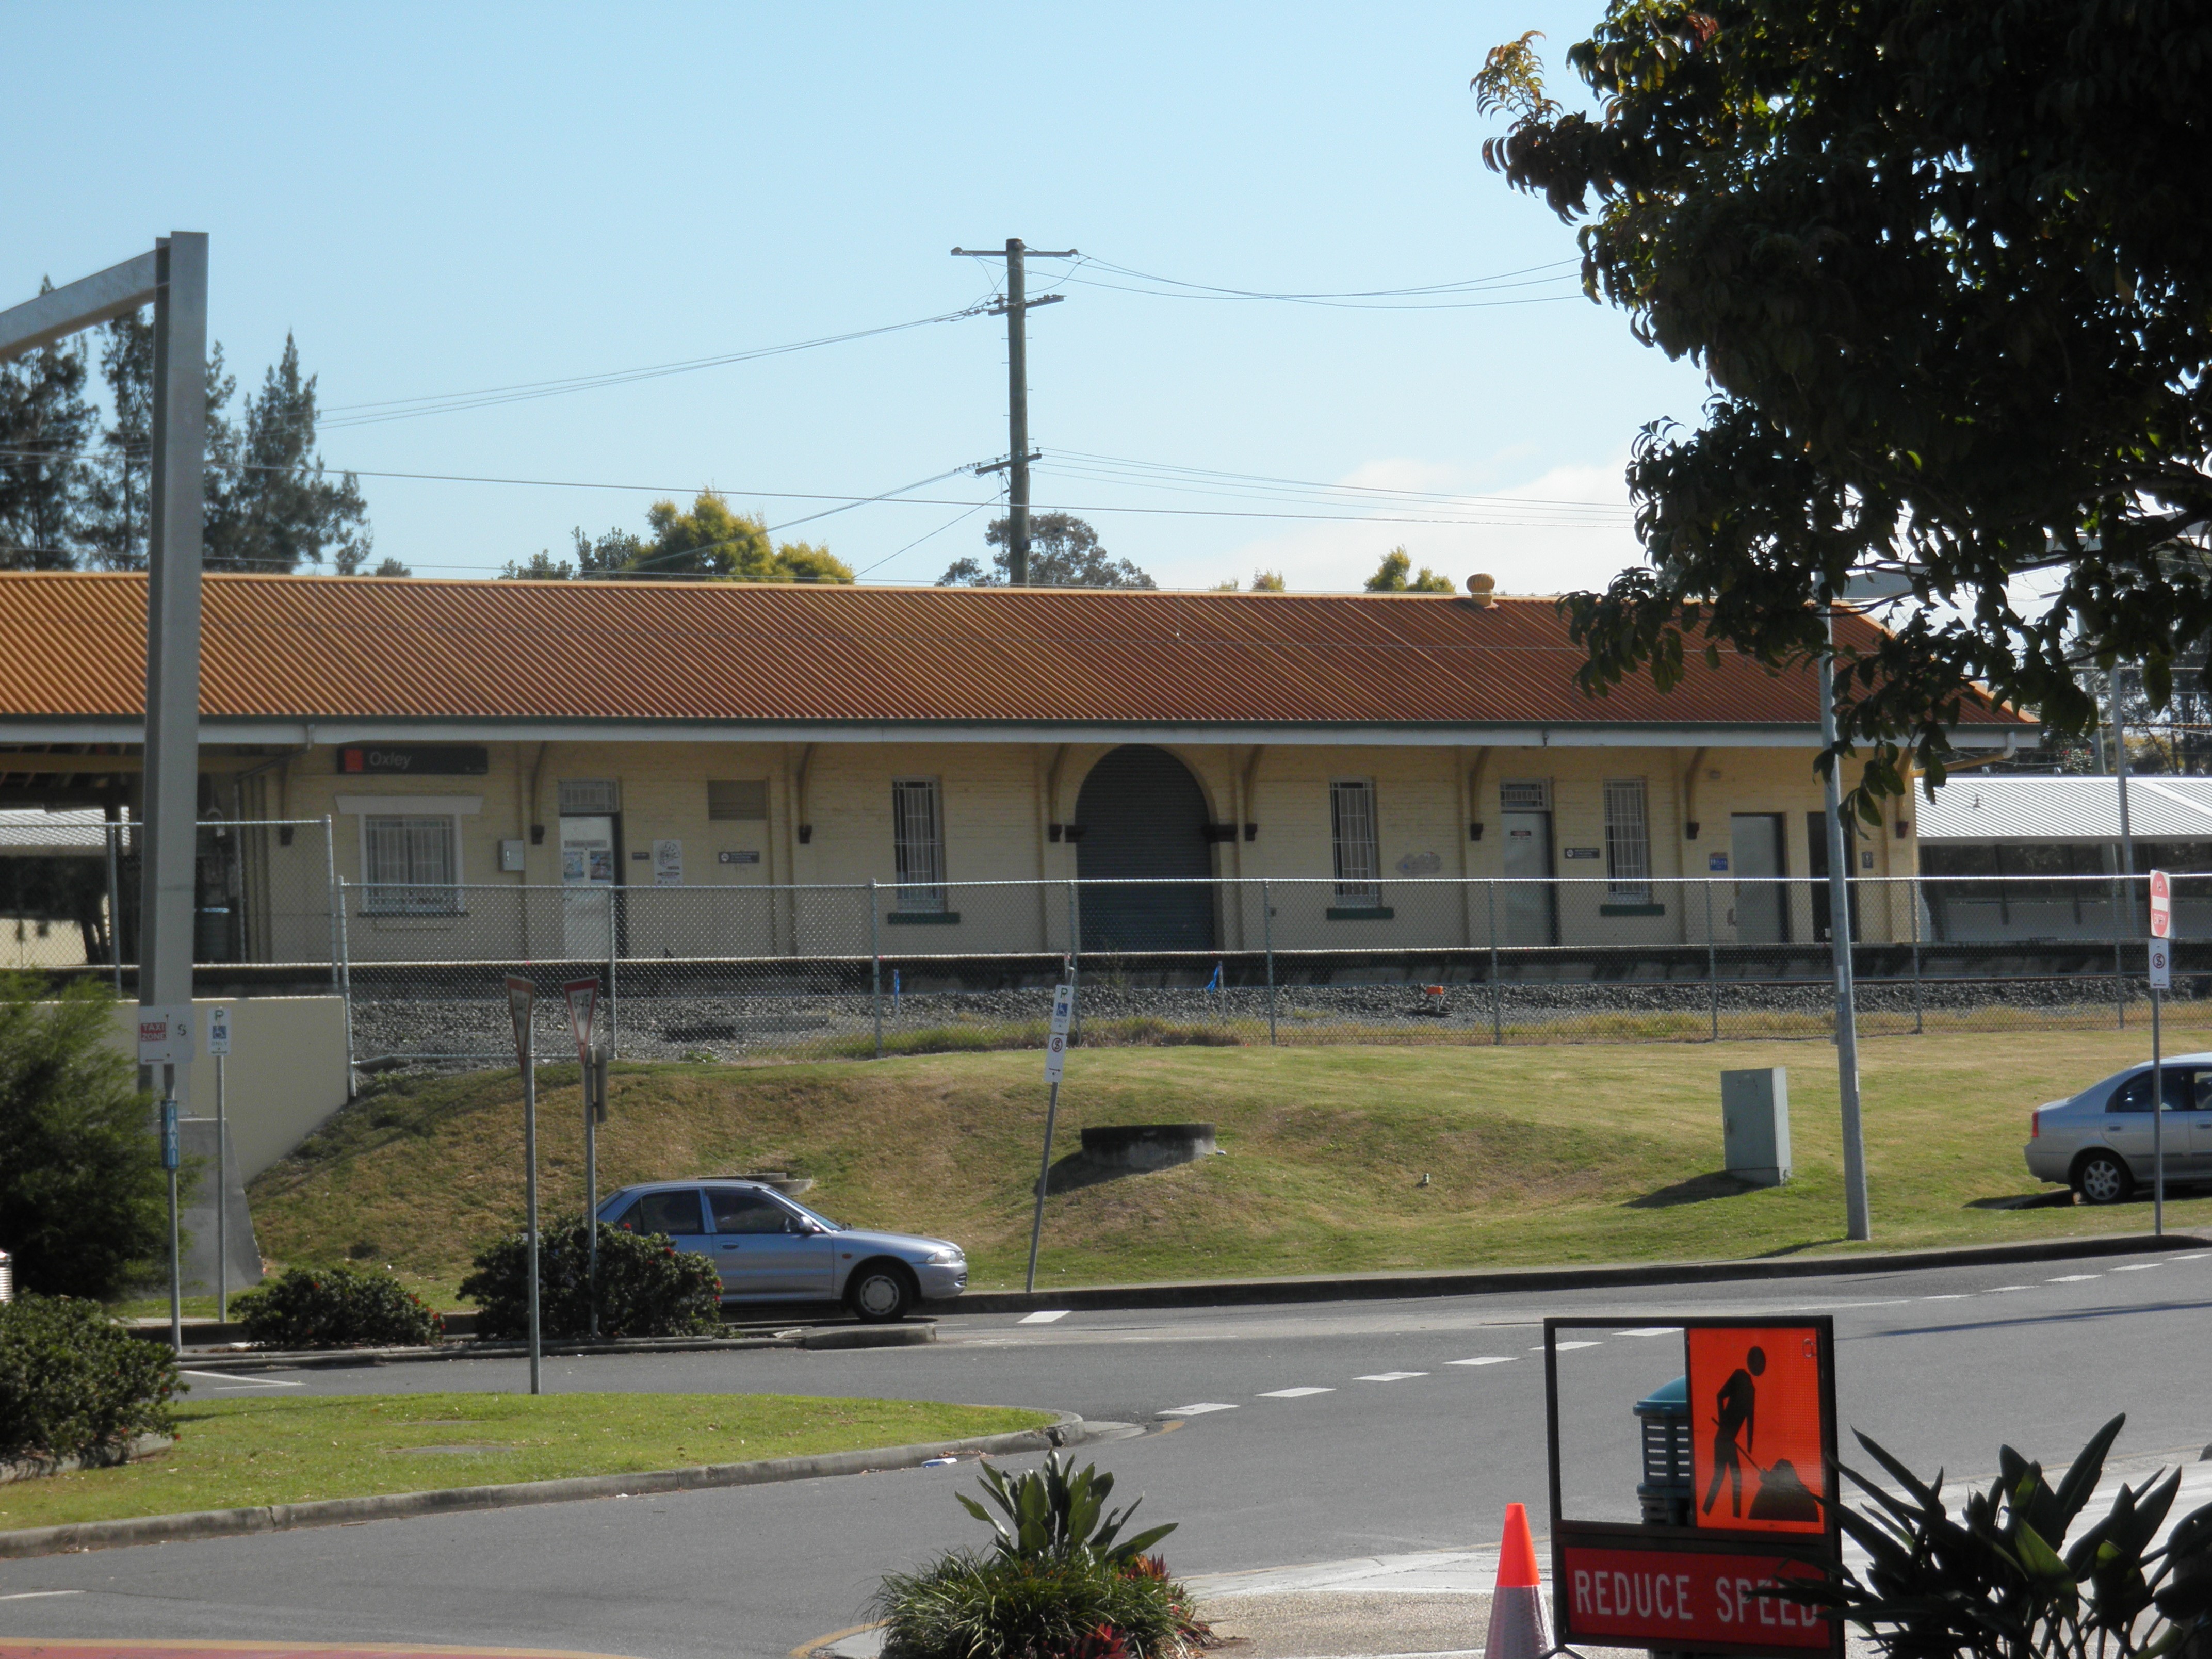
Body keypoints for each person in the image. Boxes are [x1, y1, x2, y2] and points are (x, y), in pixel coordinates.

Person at [1703, 1345, 1766, 1519]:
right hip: (1723, 1439)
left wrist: (1750, 1447)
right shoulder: (1739, 1376)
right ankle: (1720, 1514)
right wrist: (1723, 1420)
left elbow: (1750, 1422)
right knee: (1724, 1477)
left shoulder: (1752, 1391)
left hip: (1729, 1440)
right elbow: (1719, 1396)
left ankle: (1719, 1513)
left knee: (1729, 1478)